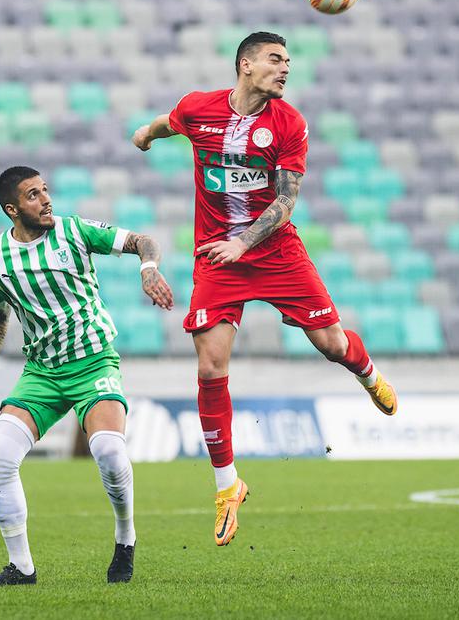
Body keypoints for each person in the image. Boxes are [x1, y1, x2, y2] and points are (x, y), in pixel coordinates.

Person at [131, 31, 398, 546]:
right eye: (276, 59)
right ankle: (227, 487)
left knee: (333, 345)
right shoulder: (198, 108)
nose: (285, 68)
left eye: (288, 61)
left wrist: (243, 243)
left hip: (276, 251)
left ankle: (367, 375)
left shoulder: (290, 123)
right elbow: (172, 123)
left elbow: (285, 203)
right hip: (217, 258)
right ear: (245, 64)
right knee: (210, 366)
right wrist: (145, 133)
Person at [0, 166, 174, 585]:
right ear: (11, 209)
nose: (45, 200)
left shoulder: (73, 231)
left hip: (93, 360)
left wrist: (147, 268)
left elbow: (142, 241)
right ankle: (21, 568)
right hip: (42, 372)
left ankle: (125, 537)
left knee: (110, 455)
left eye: (45, 191)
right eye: (32, 195)